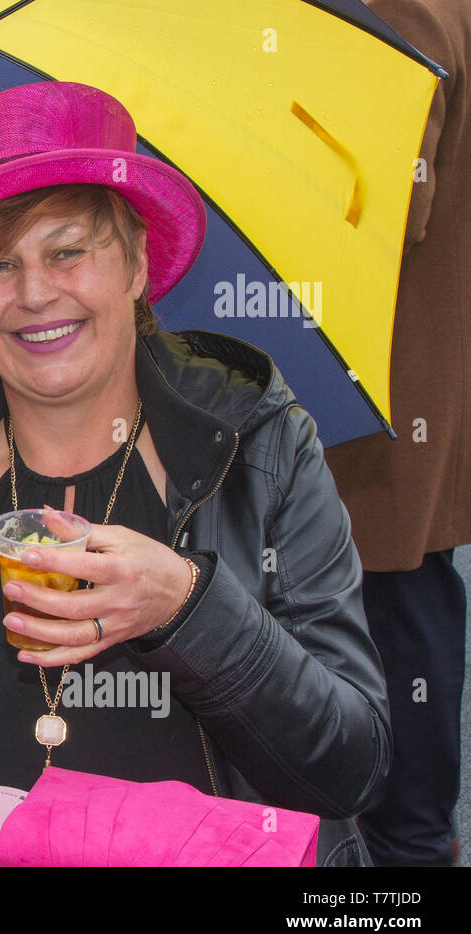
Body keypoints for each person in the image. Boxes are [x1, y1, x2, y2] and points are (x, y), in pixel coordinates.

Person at [0, 82, 391, 865]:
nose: (33, 293)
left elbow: (352, 768)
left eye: (67, 251)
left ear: (136, 265)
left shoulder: (259, 452)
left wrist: (189, 608)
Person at [324, 0, 469, 866]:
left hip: (383, 375)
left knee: (397, 601)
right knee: (399, 596)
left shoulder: (399, 5)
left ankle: (412, 845)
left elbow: (389, 202)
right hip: (379, 370)